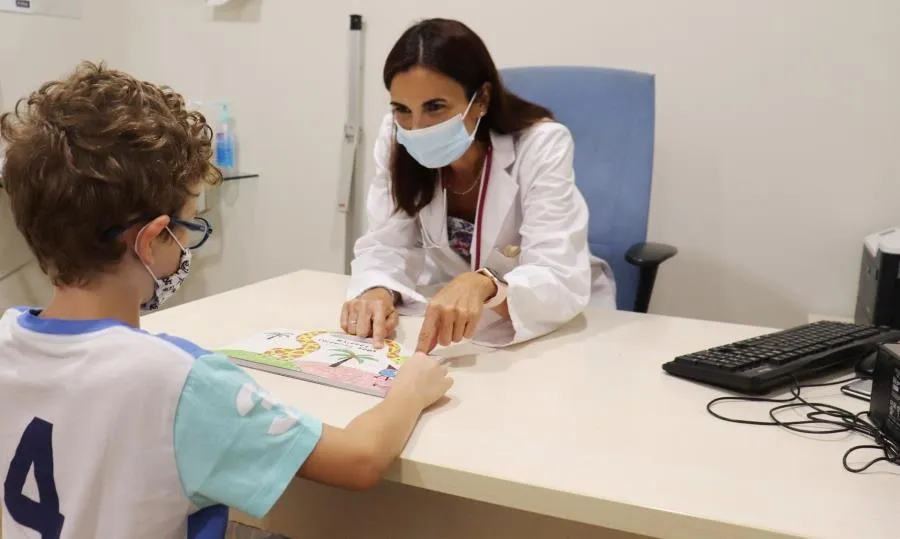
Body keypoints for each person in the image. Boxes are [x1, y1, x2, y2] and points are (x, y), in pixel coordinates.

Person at [0, 62, 452, 539]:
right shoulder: (178, 381)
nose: (187, 246)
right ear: (152, 240)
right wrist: (411, 389)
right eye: (189, 228)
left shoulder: (6, 339)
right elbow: (360, 461)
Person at [342, 18, 615, 353]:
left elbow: (556, 272)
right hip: (463, 328)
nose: (417, 127)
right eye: (402, 109)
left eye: (435, 107)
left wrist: (487, 284)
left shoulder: (541, 143)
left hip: (555, 322)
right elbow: (386, 244)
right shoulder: (397, 137)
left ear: (482, 99)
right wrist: (377, 290)